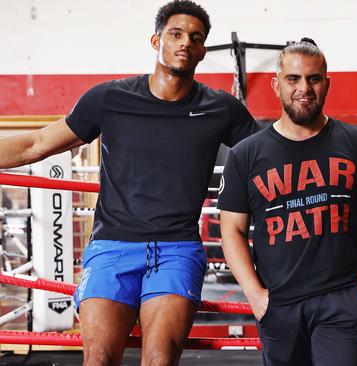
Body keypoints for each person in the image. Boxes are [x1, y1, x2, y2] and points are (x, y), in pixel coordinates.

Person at [0, 1, 258, 364]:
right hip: (112, 248)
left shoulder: (221, 108)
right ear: (156, 41)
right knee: (99, 359)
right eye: (176, 33)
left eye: (195, 38)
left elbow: (267, 158)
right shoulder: (110, 98)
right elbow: (36, 143)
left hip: (176, 250)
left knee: (159, 360)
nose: (185, 42)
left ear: (202, 50)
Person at [218, 38, 357, 366]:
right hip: (279, 303)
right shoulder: (246, 155)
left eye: (314, 79)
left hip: (342, 300)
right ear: (276, 85)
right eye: (293, 79)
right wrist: (257, 298)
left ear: (327, 84)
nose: (305, 88)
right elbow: (231, 229)